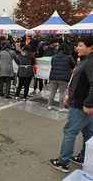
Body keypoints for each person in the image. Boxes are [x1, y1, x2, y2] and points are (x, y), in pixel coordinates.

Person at [50, 35, 93, 173]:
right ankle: (83, 158)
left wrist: (88, 103)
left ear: (91, 47)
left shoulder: (90, 62)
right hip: (81, 102)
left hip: (82, 105)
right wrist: (69, 95)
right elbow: (79, 81)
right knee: (88, 133)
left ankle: (63, 162)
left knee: (69, 132)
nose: (77, 48)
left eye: (80, 45)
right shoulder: (85, 60)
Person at [47, 43, 76, 112]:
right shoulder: (69, 57)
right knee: (62, 93)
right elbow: (73, 65)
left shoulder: (54, 57)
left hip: (53, 77)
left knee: (52, 92)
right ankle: (61, 108)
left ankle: (49, 106)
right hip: (64, 77)